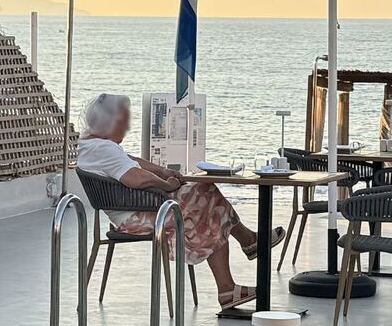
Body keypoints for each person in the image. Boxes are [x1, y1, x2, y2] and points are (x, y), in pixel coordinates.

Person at [74, 93, 283, 309]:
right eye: (124, 123)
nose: (127, 128)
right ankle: (243, 253)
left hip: (133, 212)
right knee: (208, 199)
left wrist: (163, 171)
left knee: (207, 199)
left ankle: (235, 272)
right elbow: (135, 178)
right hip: (140, 218)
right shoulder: (104, 149)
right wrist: (167, 185)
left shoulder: (90, 146)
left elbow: (131, 161)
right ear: (109, 122)